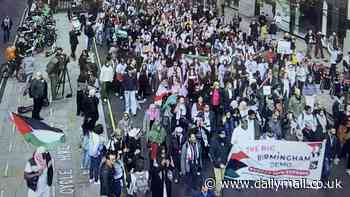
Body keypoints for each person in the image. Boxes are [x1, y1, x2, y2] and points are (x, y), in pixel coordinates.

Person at [209, 130, 230, 196]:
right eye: (222, 134)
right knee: (219, 180)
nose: (224, 136)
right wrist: (219, 164)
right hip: (217, 165)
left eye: (224, 134)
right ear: (219, 134)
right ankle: (217, 192)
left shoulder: (226, 141)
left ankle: (219, 189)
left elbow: (228, 150)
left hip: (224, 164)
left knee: (222, 178)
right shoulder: (214, 142)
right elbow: (212, 155)